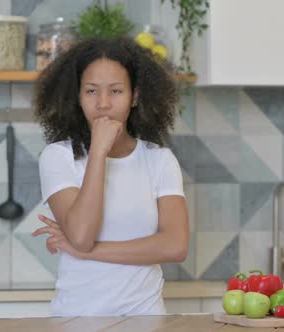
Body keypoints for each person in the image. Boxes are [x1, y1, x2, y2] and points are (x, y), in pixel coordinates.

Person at [31, 37, 189, 316]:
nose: (103, 103)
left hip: (146, 321)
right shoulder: (58, 157)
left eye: (116, 91)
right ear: (77, 96)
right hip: (76, 321)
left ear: (135, 96)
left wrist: (88, 252)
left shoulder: (159, 160)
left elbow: (175, 246)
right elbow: (81, 235)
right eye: (91, 91)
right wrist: (98, 152)